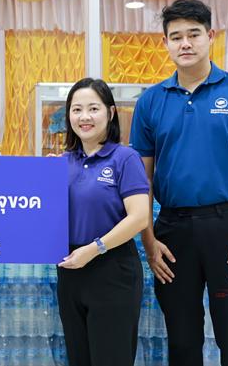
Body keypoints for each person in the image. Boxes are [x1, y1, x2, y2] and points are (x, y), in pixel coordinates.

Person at [130, 0, 228, 366]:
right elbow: (140, 181)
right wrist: (149, 242)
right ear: (165, 42)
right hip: (173, 232)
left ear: (210, 36)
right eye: (176, 36)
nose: (185, 43)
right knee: (182, 343)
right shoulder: (150, 102)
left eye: (194, 34)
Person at [57, 77, 150, 366]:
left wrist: (95, 248)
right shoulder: (61, 162)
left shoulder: (125, 158)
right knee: (79, 358)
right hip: (70, 270)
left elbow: (139, 217)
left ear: (110, 113)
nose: (84, 117)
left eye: (93, 109)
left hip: (112, 269)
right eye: (77, 109)